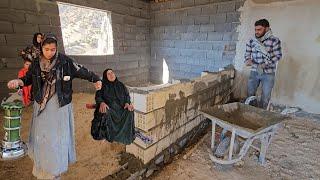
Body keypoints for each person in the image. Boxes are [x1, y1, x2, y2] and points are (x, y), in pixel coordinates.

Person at [7, 33, 102, 179]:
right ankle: (41, 168)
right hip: (41, 107)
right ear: (41, 48)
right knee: (43, 138)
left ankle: (56, 169)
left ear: (56, 48)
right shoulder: (36, 63)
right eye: (46, 49)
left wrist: (95, 79)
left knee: (57, 139)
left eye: (53, 49)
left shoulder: (65, 61)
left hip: (59, 107)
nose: (50, 52)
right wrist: (18, 82)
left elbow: (81, 70)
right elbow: (26, 79)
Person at [244, 19, 282, 109]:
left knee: (265, 96)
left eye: (259, 29)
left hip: (268, 73)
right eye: (255, 29)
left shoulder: (274, 40)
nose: (256, 32)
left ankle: (262, 114)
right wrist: (247, 60)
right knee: (250, 93)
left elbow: (278, 56)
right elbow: (247, 54)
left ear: (267, 29)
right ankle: (250, 112)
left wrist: (266, 64)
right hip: (254, 71)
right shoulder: (252, 41)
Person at [91, 68, 135, 145]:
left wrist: (127, 103)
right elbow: (98, 96)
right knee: (105, 111)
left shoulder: (121, 85)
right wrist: (102, 103)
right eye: (108, 74)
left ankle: (124, 135)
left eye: (112, 73)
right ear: (105, 76)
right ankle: (108, 135)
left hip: (121, 108)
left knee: (129, 111)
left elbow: (127, 96)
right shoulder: (102, 85)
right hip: (110, 109)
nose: (111, 75)